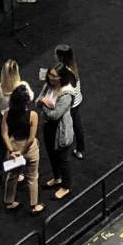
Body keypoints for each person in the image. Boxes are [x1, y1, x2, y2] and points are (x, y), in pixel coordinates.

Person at [0, 81, 44, 213]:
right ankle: (34, 205)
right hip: (29, 149)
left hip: (14, 145)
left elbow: (4, 133)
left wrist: (12, 151)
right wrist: (23, 151)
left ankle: (9, 201)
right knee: (32, 176)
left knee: (12, 175)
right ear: (26, 101)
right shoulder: (33, 115)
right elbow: (31, 138)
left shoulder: (7, 114)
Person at [39, 69, 78, 200]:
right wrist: (44, 103)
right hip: (48, 127)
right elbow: (37, 100)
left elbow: (55, 115)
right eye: (50, 75)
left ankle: (66, 186)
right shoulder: (48, 86)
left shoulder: (66, 94)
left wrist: (44, 104)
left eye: (54, 76)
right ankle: (57, 178)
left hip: (61, 131)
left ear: (62, 77)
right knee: (51, 155)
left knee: (63, 159)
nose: (51, 78)